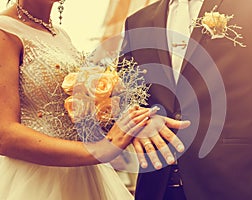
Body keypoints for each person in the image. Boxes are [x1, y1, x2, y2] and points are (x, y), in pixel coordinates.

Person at [121, 0, 252, 199]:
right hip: (157, 188)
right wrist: (140, 122)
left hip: (234, 185)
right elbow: (122, 99)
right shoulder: (137, 22)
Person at [0, 0, 157, 199]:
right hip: (34, 179)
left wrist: (127, 121)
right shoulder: (4, 31)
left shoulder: (61, 36)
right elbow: (4, 135)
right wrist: (100, 150)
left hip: (82, 174)